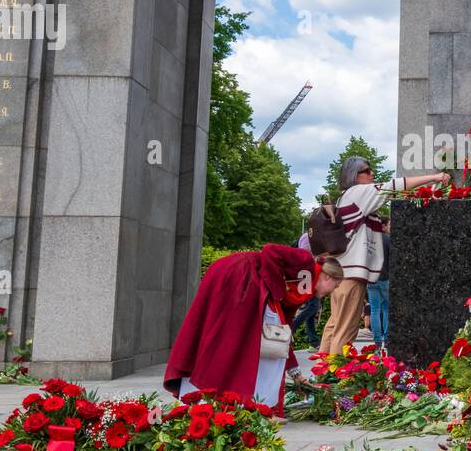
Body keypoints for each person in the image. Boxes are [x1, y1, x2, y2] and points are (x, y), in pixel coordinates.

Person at [164, 244, 343, 415]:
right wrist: (275, 293)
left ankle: (238, 400)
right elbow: (270, 251)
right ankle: (244, 401)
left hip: (243, 282)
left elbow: (282, 331)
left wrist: (295, 372)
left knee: (222, 340)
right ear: (327, 277)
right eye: (335, 286)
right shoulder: (305, 260)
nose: (332, 292)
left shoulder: (304, 291)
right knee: (228, 342)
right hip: (242, 276)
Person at [318, 157, 448, 355]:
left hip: (339, 273)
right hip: (351, 275)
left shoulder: (345, 196)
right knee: (345, 332)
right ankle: (333, 378)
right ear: (354, 175)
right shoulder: (360, 192)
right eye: (367, 171)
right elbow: (395, 186)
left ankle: (321, 371)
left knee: (334, 326)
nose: (372, 174)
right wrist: (435, 177)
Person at [367, 216, 391, 351]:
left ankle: (377, 341)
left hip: (371, 278)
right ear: (383, 226)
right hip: (386, 278)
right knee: (387, 308)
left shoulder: (369, 240)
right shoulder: (388, 239)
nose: (389, 227)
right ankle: (387, 339)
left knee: (374, 310)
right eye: (388, 225)